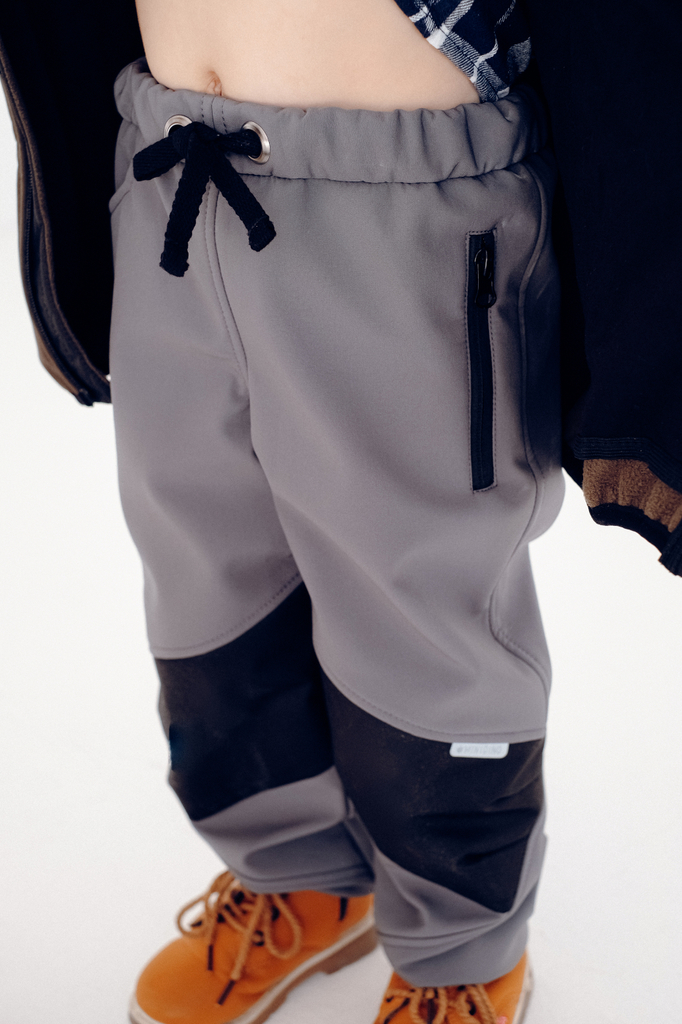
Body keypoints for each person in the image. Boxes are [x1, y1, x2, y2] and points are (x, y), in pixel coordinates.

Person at [1, 3, 680, 1024]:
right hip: (169, 165)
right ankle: (299, 877)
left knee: (419, 616)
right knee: (204, 578)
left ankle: (459, 955)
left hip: (404, 196)